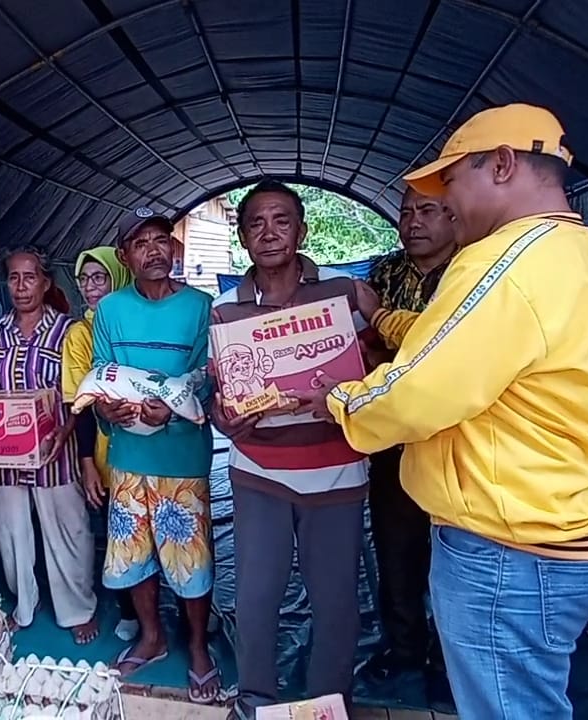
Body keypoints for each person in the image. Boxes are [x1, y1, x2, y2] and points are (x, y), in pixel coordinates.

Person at [297, 103, 588, 719]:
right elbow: (466, 350)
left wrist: (341, 401)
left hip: (509, 542)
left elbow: (420, 389)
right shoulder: (575, 247)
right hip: (555, 520)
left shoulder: (503, 259)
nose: (444, 203)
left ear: (501, 164)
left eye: (450, 182)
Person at [210, 181, 371, 717]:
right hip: (259, 470)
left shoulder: (346, 295)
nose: (270, 232)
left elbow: (384, 371)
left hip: (337, 472)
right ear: (242, 237)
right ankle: (255, 698)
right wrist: (227, 418)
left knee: (337, 600)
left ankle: (330, 703)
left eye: (282, 220)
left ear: (302, 230)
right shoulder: (225, 309)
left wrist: (351, 393)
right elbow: (218, 398)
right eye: (256, 223)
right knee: (256, 595)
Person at [92, 208, 219, 703]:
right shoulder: (110, 310)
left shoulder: (201, 307)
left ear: (174, 247)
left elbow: (207, 375)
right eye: (141, 243)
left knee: (191, 559)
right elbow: (102, 373)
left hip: (181, 458)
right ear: (125, 256)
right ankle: (152, 637)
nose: (154, 250)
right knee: (133, 556)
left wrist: (175, 405)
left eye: (161, 239)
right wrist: (107, 407)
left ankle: (197, 646)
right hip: (129, 457)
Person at [355, 186, 457, 709]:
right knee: (396, 546)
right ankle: (405, 646)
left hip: (456, 440)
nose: (413, 222)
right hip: (394, 437)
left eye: (427, 211)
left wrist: (386, 328)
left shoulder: (473, 270)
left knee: (455, 553)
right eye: (406, 212)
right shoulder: (385, 272)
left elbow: (449, 346)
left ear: (454, 214)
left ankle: (450, 659)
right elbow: (365, 345)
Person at [0, 247, 99, 643]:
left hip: (56, 452)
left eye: (30, 277)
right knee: (12, 533)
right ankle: (24, 605)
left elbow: (83, 392)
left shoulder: (68, 331)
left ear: (46, 283)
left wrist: (66, 430)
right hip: (6, 457)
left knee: (68, 532)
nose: (21, 286)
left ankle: (77, 609)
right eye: (14, 277)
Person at [58, 246, 139, 642]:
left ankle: (184, 602)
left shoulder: (139, 323)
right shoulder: (80, 335)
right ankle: (130, 611)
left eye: (99, 277)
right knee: (117, 533)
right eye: (84, 279)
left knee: (164, 531)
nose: (90, 287)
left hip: (151, 448)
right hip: (108, 454)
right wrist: (88, 460)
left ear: (118, 278)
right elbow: (80, 404)